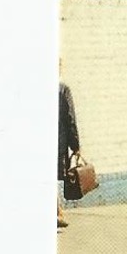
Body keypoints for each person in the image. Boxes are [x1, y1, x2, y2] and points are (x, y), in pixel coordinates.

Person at [58, 78, 80, 228]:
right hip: (58, 144)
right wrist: (75, 146)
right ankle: (57, 213)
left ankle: (57, 212)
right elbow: (70, 119)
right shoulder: (62, 90)